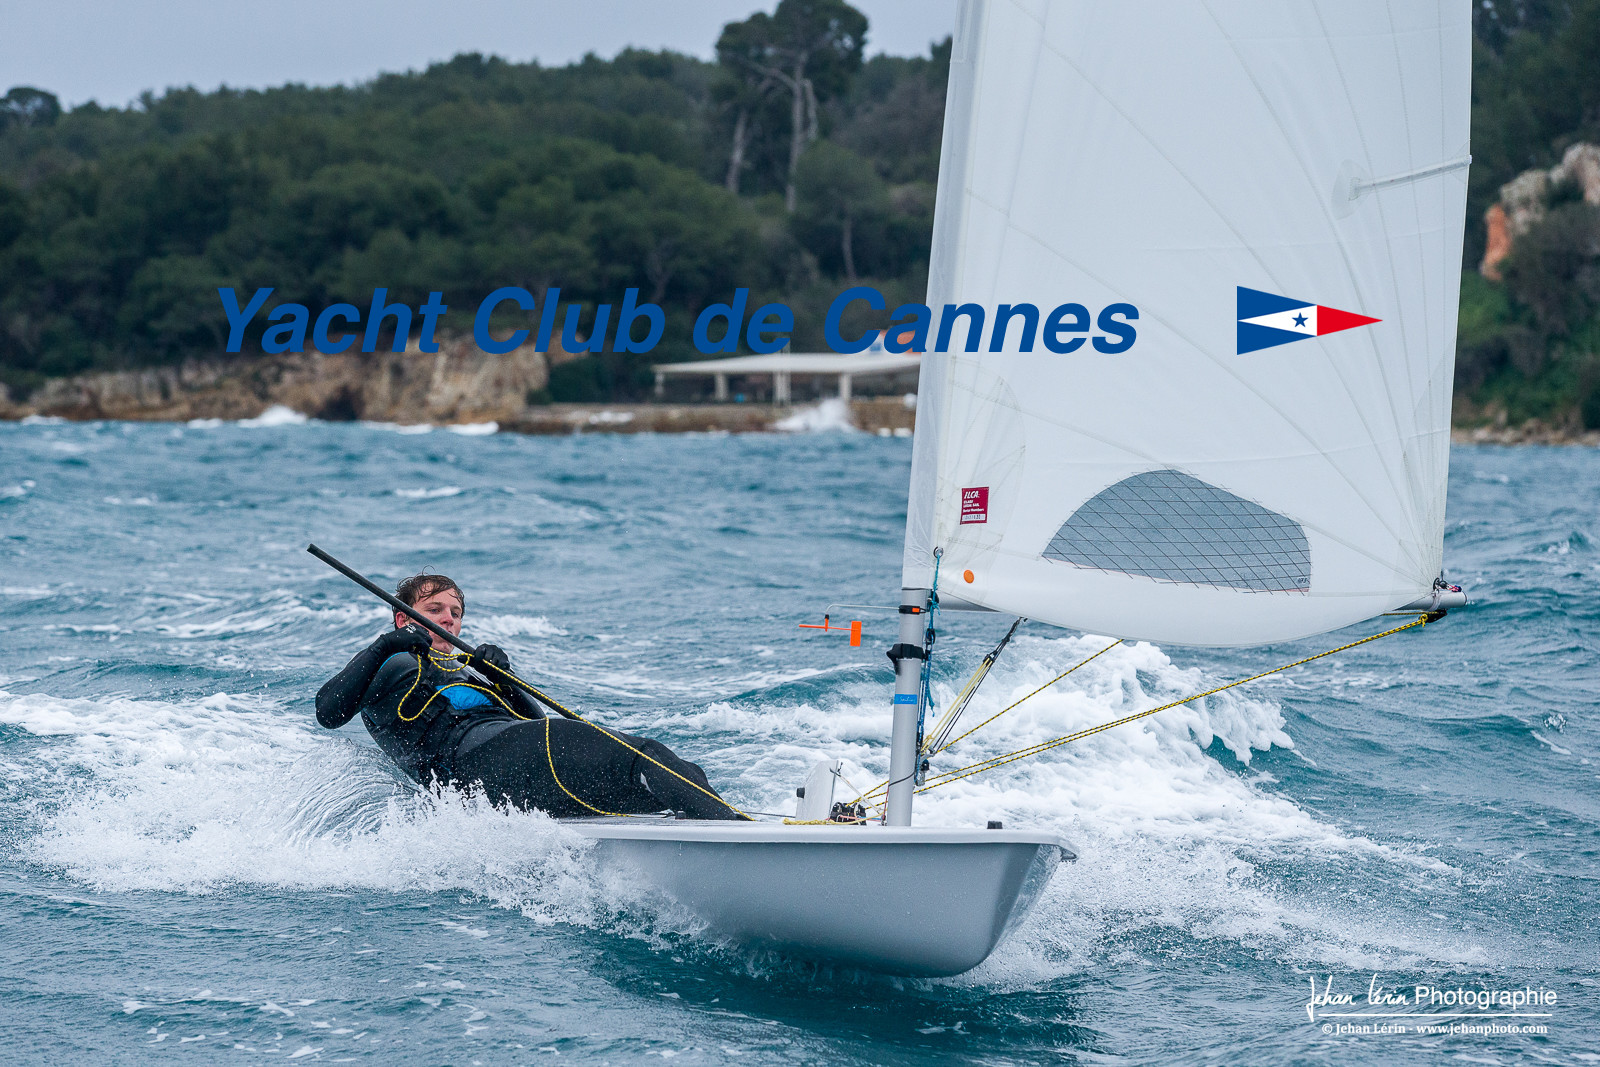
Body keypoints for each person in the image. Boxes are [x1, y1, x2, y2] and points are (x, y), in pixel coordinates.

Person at [315, 572, 744, 820]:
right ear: (401, 616)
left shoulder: (465, 672)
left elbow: (534, 725)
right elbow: (328, 712)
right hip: (472, 775)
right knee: (643, 756)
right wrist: (385, 644)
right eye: (434, 611)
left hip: (514, 764)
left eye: (456, 613)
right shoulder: (390, 664)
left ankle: (713, 823)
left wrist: (504, 681)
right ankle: (735, 837)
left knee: (669, 776)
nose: (448, 619)